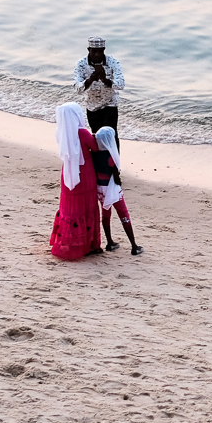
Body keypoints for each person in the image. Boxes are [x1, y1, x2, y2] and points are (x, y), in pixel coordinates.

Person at [49, 103, 102, 260]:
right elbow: (96, 148)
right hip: (84, 173)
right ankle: (89, 245)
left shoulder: (61, 132)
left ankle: (66, 242)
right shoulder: (82, 133)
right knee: (87, 206)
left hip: (68, 172)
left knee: (69, 207)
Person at [89, 127, 142, 255]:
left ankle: (110, 242)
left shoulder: (93, 154)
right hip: (112, 189)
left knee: (105, 215)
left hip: (101, 189)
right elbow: (116, 178)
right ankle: (134, 246)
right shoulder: (111, 156)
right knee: (123, 214)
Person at [74, 37, 124, 139]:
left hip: (110, 103)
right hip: (92, 106)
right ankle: (101, 155)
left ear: (104, 50)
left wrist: (105, 80)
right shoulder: (81, 64)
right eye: (94, 51)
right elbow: (77, 89)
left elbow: (121, 84)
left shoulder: (113, 62)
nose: (97, 54)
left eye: (100, 51)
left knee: (111, 135)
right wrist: (90, 80)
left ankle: (114, 155)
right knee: (97, 137)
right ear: (88, 50)